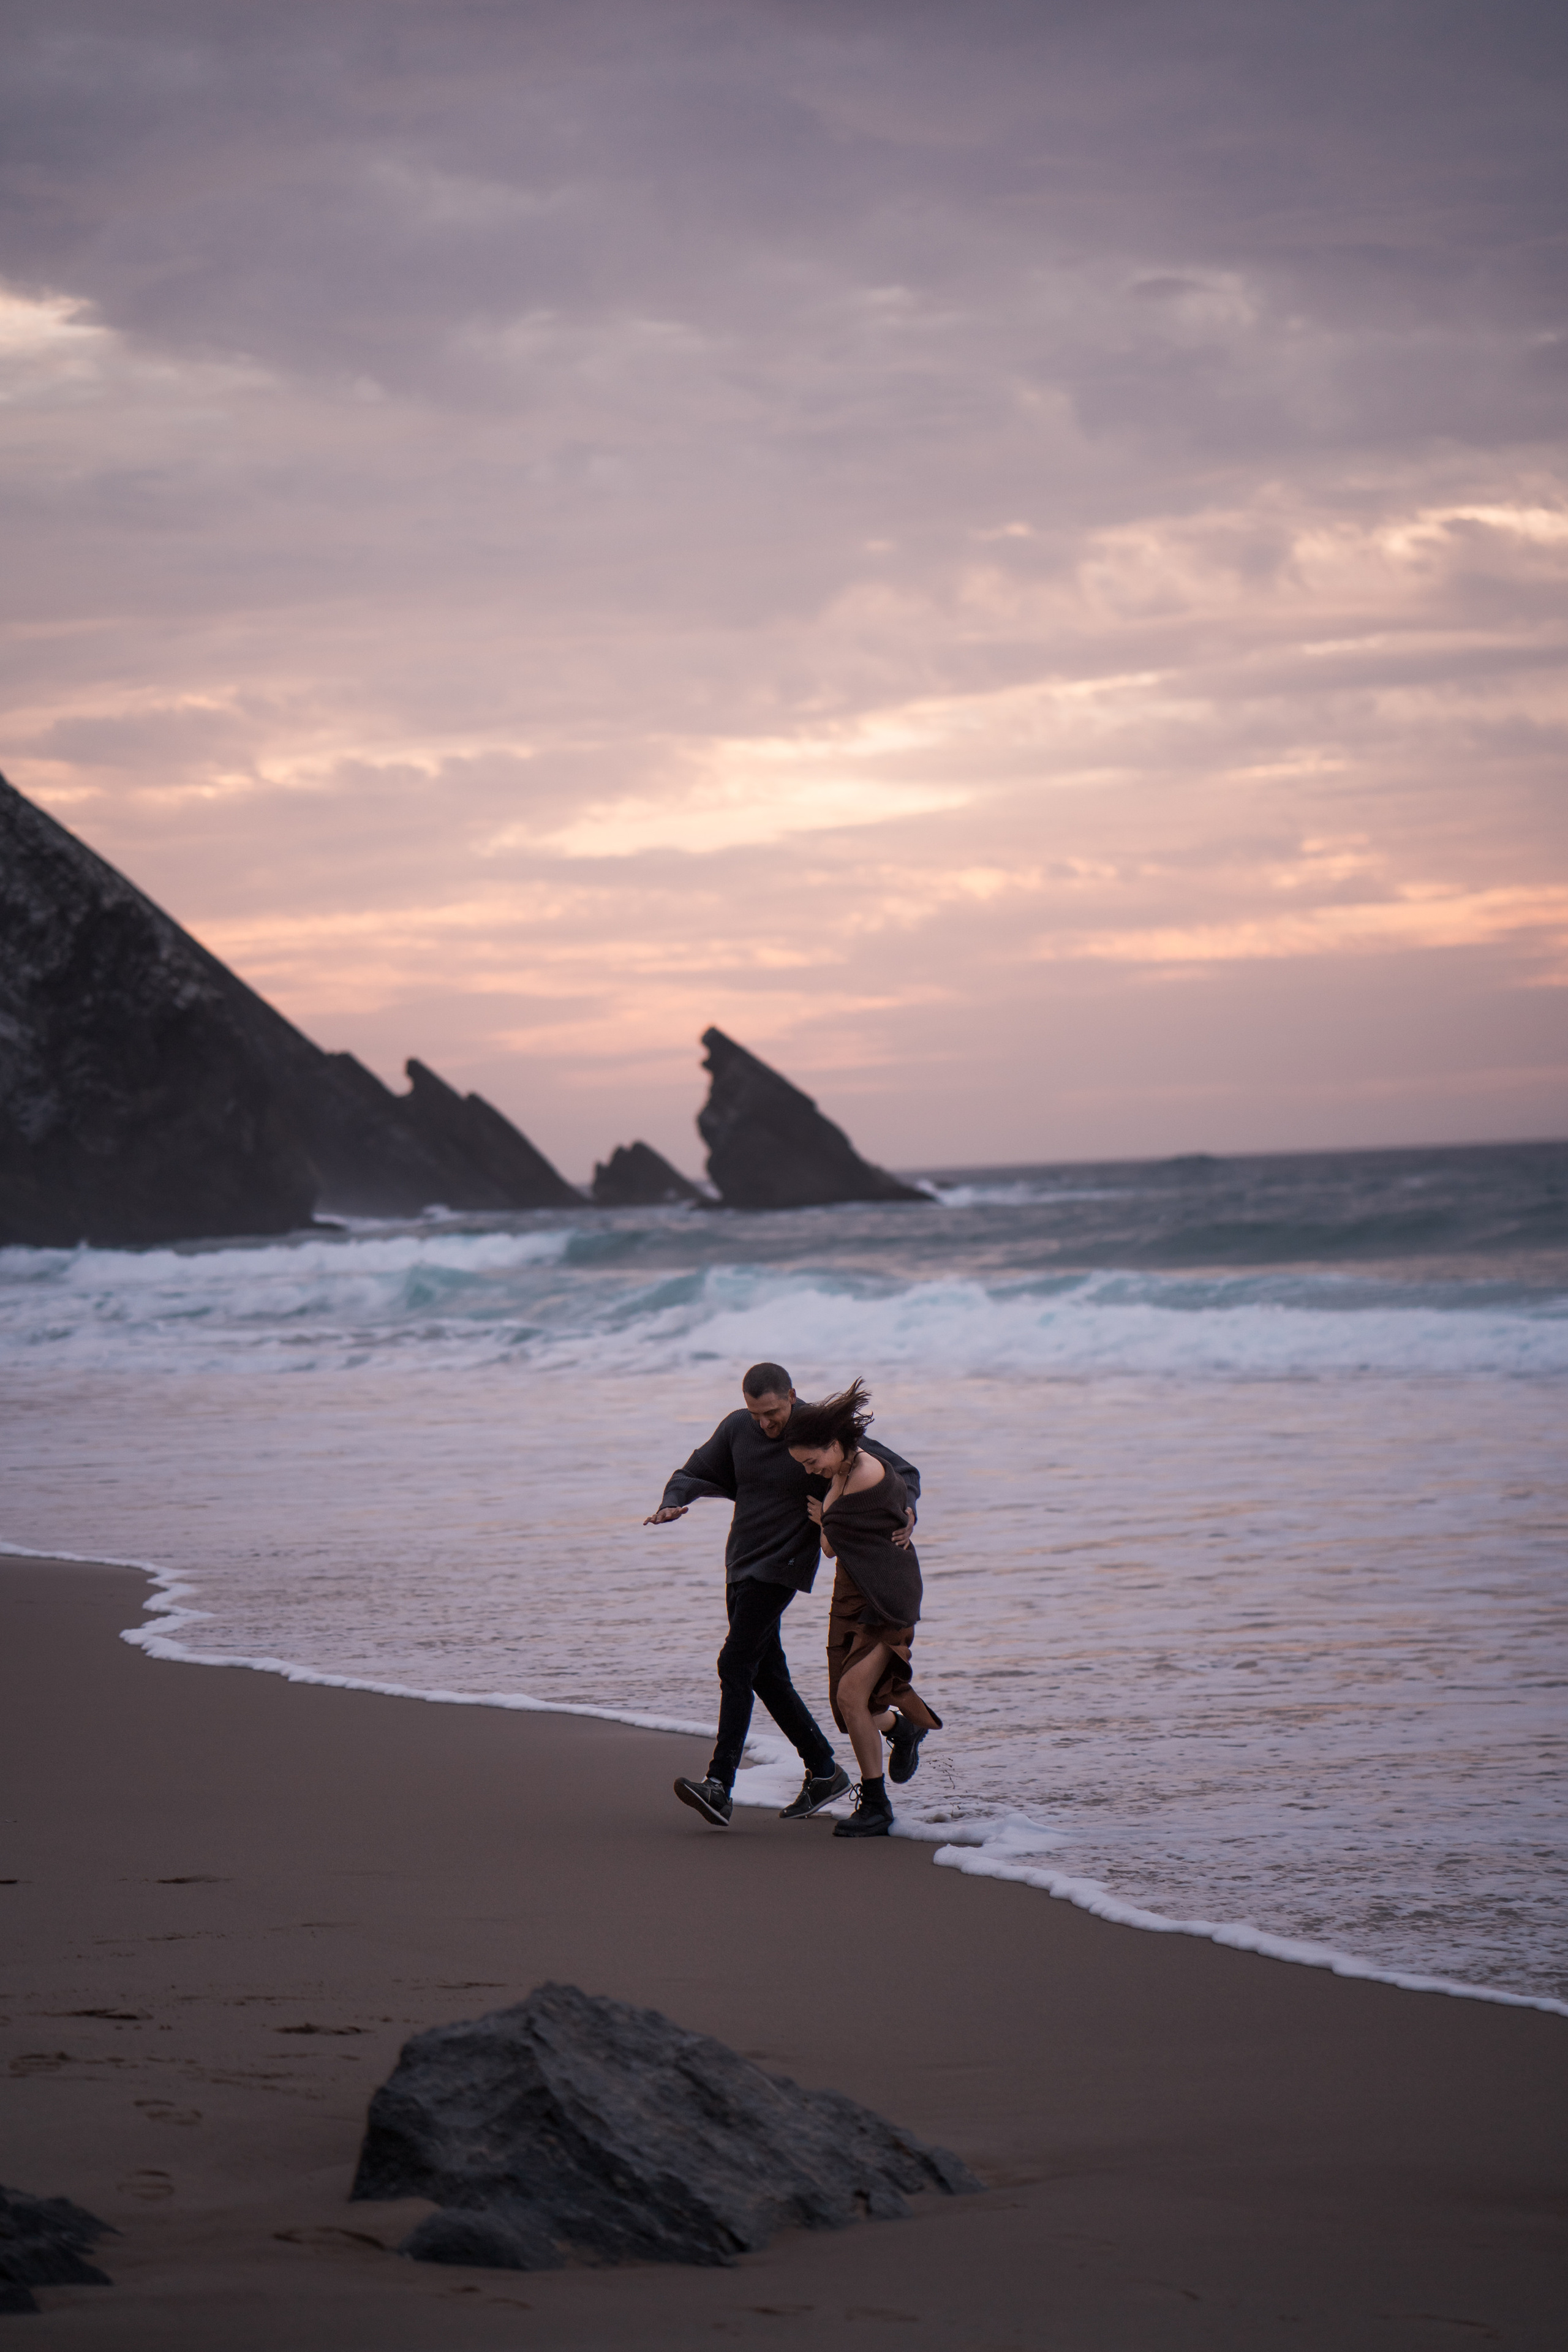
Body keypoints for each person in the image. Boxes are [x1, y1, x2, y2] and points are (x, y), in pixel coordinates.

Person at [645, 1361, 921, 1828]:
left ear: (791, 1395)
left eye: (771, 1413)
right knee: (766, 1673)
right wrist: (675, 1499)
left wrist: (907, 1510)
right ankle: (825, 1770)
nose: (765, 1424)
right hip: (741, 1562)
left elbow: (899, 1471)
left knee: (735, 1663)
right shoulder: (739, 1428)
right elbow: (696, 1468)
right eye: (756, 1414)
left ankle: (719, 1783)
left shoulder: (819, 1431)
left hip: (783, 1567)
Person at [786, 1377, 941, 1841]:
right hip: (855, 1589)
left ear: (835, 1445)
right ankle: (903, 1728)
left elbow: (829, 1544)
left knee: (852, 1697)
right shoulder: (841, 1467)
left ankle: (876, 1805)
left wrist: (826, 1518)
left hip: (887, 1597)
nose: (812, 1471)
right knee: (848, 1704)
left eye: (814, 1462)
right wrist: (828, 1511)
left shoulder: (862, 1474)